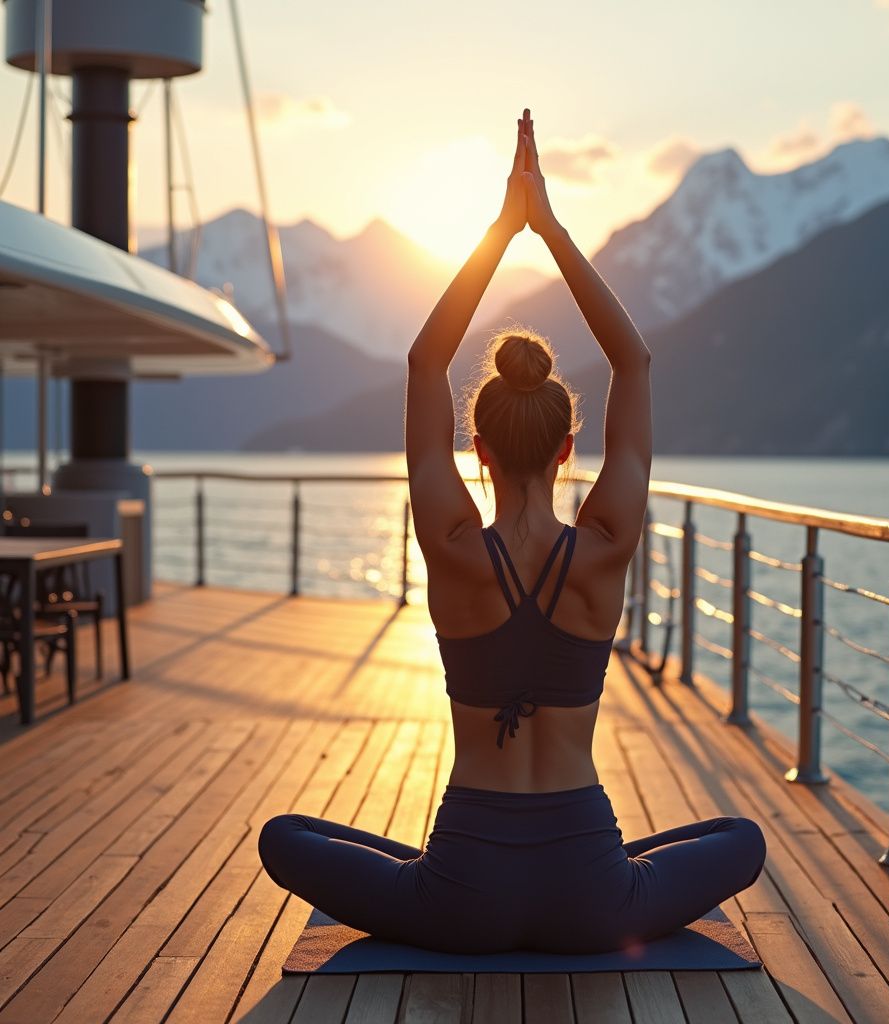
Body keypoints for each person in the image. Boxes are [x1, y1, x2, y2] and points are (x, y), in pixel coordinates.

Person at [259, 109, 765, 954]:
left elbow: (425, 360)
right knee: (740, 840)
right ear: (570, 448)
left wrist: (500, 231)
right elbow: (633, 362)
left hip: (461, 895)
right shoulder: (604, 546)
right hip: (591, 895)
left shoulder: (453, 547)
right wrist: (551, 229)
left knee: (286, 836)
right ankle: (591, 869)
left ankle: (464, 870)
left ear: (478, 448)